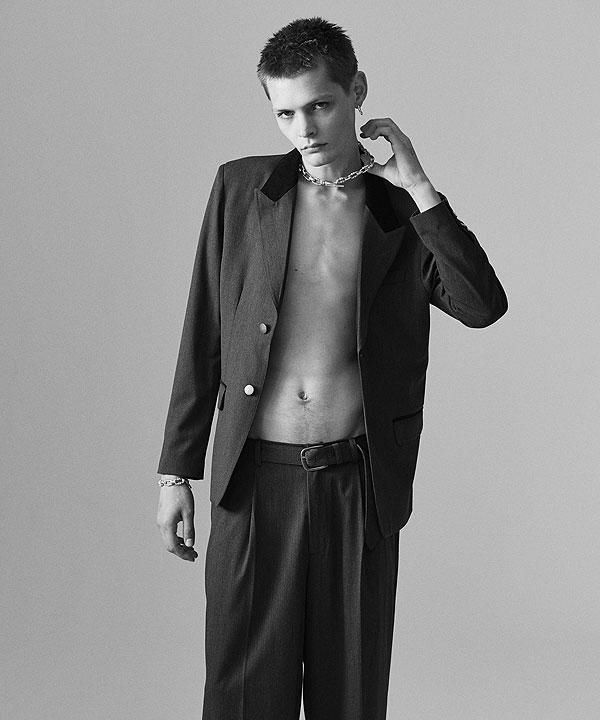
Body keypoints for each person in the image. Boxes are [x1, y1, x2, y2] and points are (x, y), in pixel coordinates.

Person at [156, 16, 507, 720]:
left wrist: (422, 189)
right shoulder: (240, 190)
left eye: (320, 105)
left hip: (357, 484)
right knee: (242, 695)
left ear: (357, 91)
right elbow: (203, 333)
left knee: (351, 695)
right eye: (285, 113)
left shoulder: (400, 210)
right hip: (254, 481)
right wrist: (175, 472)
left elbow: (481, 306)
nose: (305, 129)